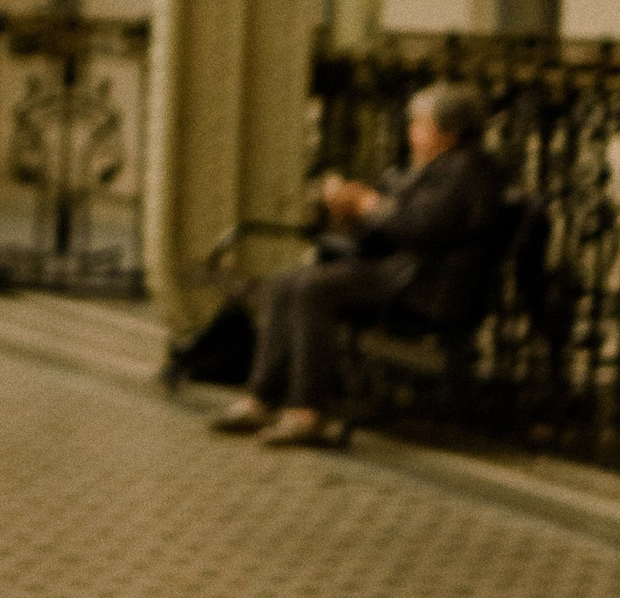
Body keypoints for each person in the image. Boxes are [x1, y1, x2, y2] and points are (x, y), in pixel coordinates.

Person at [214, 80, 504, 449]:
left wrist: (369, 206)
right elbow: (392, 227)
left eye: (420, 125)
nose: (411, 134)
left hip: (426, 282)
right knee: (285, 282)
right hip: (399, 270)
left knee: (312, 289)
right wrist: (351, 211)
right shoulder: (436, 168)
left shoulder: (468, 172)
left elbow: (422, 228)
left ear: (449, 132)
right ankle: (263, 398)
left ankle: (307, 411)